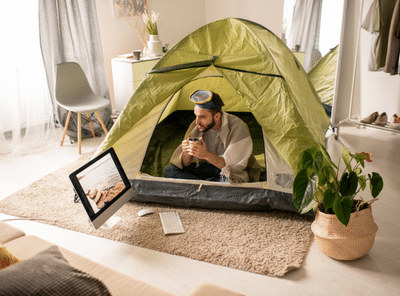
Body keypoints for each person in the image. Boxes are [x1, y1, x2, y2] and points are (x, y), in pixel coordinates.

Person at [163, 90, 260, 183]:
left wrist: (205, 155)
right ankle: (209, 187)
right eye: (196, 116)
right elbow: (184, 163)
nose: (197, 122)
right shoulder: (196, 127)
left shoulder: (238, 128)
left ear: (217, 116)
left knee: (231, 182)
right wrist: (186, 153)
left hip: (230, 172)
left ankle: (202, 187)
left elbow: (233, 168)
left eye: (202, 117)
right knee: (169, 170)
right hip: (209, 168)